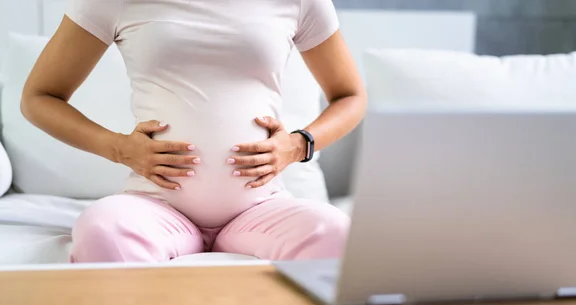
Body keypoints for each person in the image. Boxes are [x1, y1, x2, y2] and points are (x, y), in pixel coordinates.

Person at [21, 0, 366, 264]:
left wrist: (296, 145)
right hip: (156, 205)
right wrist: (118, 148)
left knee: (336, 231)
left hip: (261, 207)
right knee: (101, 229)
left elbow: (350, 96)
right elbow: (39, 97)